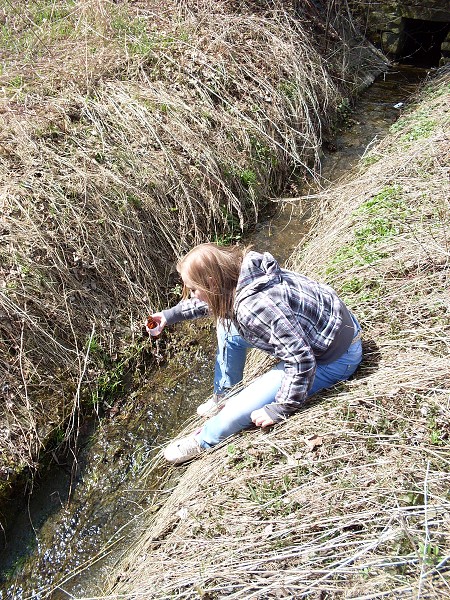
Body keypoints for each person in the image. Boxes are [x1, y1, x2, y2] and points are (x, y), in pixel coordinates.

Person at [147, 243, 362, 464]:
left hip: (335, 357)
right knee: (227, 331)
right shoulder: (243, 270)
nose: (192, 295)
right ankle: (225, 395)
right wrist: (168, 316)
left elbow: (301, 359)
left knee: (237, 412)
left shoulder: (254, 307)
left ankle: (204, 439)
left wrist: (281, 407)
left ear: (211, 283)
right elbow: (208, 302)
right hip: (328, 331)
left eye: (193, 289)